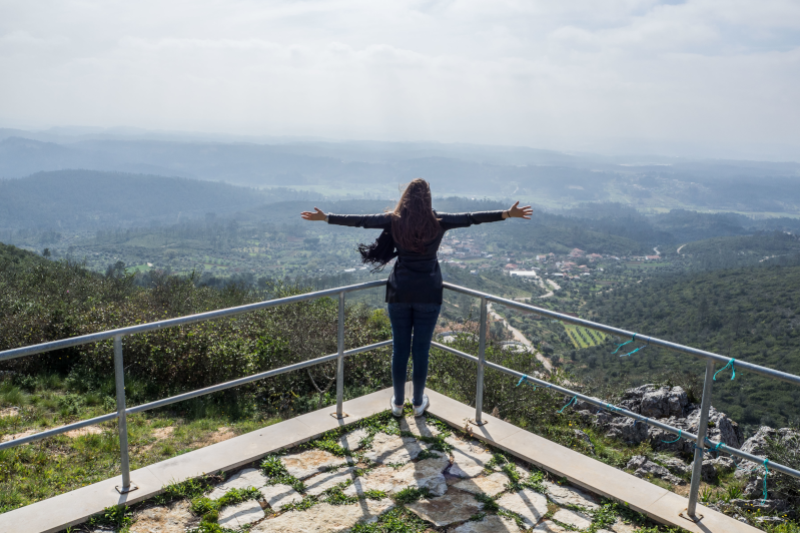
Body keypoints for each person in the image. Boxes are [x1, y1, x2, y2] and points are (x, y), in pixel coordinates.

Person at [301, 179, 532, 417]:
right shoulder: (439, 221)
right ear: (428, 198)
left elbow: (361, 221)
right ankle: (418, 402)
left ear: (406, 198)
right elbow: (472, 217)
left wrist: (326, 217)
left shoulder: (394, 220)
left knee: (400, 350)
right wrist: (507, 213)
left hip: (399, 291)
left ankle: (398, 404)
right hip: (429, 293)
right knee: (421, 350)